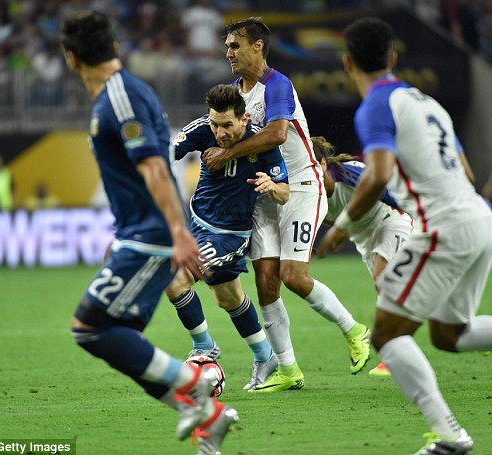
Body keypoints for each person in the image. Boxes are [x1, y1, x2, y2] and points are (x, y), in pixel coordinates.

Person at [317, 17, 492, 455]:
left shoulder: (374, 108)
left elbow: (378, 173)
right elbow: (468, 171)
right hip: (479, 217)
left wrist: (340, 230)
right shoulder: (429, 104)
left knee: (386, 334)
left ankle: (449, 435)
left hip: (443, 227)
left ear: (348, 64)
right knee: (448, 334)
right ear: (394, 58)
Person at [60, 11, 238, 454]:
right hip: (139, 233)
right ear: (114, 48)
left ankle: (197, 386)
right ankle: (203, 415)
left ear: (70, 58)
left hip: (153, 233)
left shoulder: (120, 97)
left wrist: (178, 233)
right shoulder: (120, 95)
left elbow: (156, 168)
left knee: (90, 327)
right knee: (117, 337)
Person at [203, 17, 371, 391]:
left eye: (235, 45)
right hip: (262, 193)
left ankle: (356, 330)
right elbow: (218, 129)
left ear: (257, 46)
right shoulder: (233, 92)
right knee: (265, 282)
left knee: (293, 275)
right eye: (227, 46)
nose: (228, 52)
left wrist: (226, 153)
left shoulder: (277, 85)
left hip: (300, 186)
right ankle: (288, 369)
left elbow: (278, 133)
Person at [166, 84, 289, 391]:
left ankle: (204, 349)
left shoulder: (262, 143)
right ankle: (265, 357)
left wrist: (271, 186)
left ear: (244, 119)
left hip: (229, 235)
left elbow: (285, 193)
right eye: (215, 125)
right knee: (228, 297)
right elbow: (164, 153)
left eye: (227, 126)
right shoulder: (201, 129)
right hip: (197, 224)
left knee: (173, 276)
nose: (219, 133)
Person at [311, 136, 414, 377]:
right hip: (363, 238)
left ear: (323, 163)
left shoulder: (351, 174)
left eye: (312, 166)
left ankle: (394, 356)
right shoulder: (307, 191)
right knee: (399, 289)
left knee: (384, 282)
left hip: (391, 219)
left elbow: (384, 191)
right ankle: (464, 323)